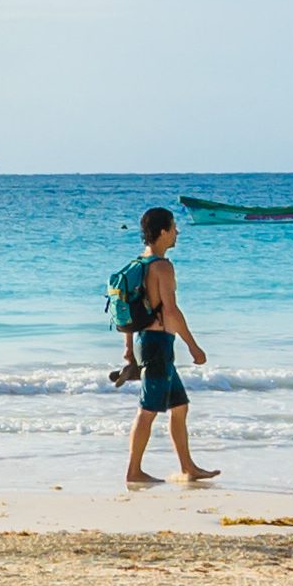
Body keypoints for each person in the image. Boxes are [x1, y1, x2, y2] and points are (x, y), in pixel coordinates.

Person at [118, 204, 215, 487]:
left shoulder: (138, 264)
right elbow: (171, 311)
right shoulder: (162, 267)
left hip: (145, 342)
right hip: (158, 344)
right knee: (147, 410)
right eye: (173, 227)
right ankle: (134, 471)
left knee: (180, 406)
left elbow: (129, 310)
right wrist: (193, 346)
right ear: (162, 231)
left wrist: (128, 348)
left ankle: (188, 467)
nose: (177, 232)